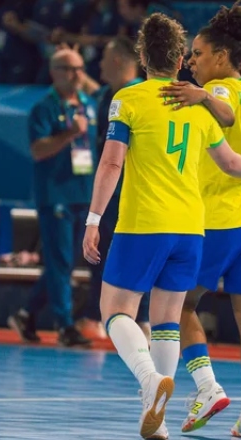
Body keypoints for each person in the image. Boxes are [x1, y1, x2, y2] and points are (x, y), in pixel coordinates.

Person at [82, 13, 241, 439]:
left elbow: (111, 163)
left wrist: (93, 219)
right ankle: (158, 422)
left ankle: (149, 380)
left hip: (144, 223)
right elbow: (229, 162)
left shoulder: (129, 99)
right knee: (166, 321)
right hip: (190, 230)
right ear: (181, 59)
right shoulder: (197, 105)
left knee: (115, 311)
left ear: (142, 56)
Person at [159, 3, 241, 438]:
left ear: (222, 56)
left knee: (176, 303)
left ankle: (207, 387)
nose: (191, 61)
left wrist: (203, 96)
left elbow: (226, 113)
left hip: (220, 220)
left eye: (197, 53)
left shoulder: (222, 91)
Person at [7, 48, 95, 348]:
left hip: (83, 191)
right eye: (69, 69)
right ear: (54, 71)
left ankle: (26, 314)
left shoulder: (88, 104)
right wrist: (69, 133)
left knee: (65, 263)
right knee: (60, 261)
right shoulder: (44, 108)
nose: (76, 74)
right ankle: (64, 324)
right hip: (56, 194)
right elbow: (38, 150)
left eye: (80, 68)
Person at [76, 36, 150, 341]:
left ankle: (141, 321)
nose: (100, 63)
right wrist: (76, 72)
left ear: (118, 60)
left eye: (105, 58)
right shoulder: (110, 95)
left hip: (131, 195)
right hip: (109, 196)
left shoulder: (140, 96)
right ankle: (102, 317)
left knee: (135, 257)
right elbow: (95, 90)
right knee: (101, 257)